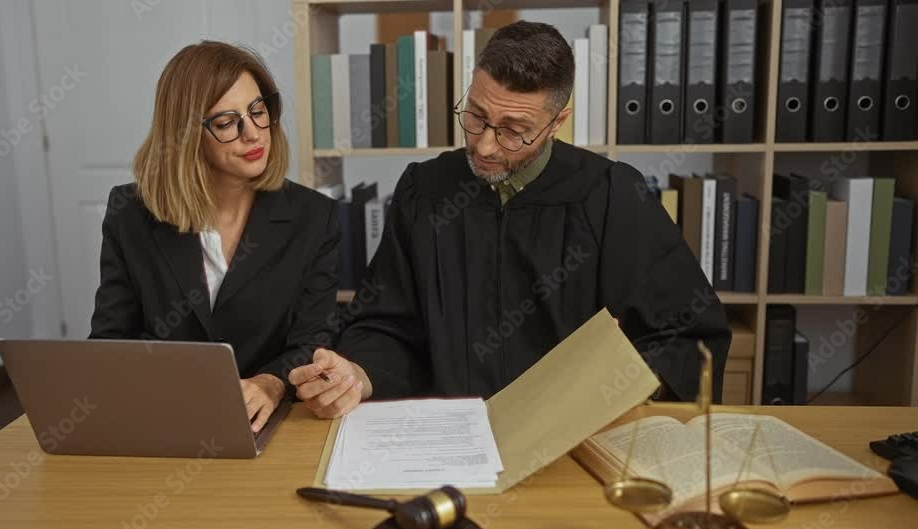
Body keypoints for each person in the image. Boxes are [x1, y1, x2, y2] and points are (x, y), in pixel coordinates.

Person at [290, 22, 732, 419]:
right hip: (447, 435)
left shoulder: (611, 195)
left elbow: (687, 335)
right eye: (477, 116)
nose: (485, 147)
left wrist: (621, 377)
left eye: (514, 130)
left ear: (557, 122)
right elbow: (387, 325)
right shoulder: (424, 191)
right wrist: (358, 374)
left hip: (574, 438)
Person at [90, 41, 340, 432]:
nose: (253, 134)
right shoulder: (131, 214)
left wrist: (271, 383)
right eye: (226, 123)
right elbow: (111, 342)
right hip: (160, 419)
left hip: (269, 425)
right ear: (186, 135)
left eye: (258, 111)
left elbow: (313, 340)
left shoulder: (315, 216)